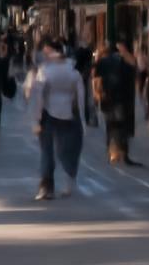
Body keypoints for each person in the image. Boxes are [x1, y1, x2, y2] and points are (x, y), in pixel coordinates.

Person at [30, 38, 87, 201]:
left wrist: (36, 119)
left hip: (47, 114)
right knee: (66, 149)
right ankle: (69, 180)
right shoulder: (74, 72)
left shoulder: (44, 71)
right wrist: (82, 119)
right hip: (68, 112)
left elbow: (38, 96)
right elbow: (80, 97)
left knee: (47, 151)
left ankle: (46, 187)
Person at [95, 39, 140, 166]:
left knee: (112, 125)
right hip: (121, 98)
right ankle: (121, 153)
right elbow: (134, 65)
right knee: (120, 126)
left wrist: (97, 94)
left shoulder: (103, 62)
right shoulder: (122, 61)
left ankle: (113, 152)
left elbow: (96, 79)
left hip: (110, 97)